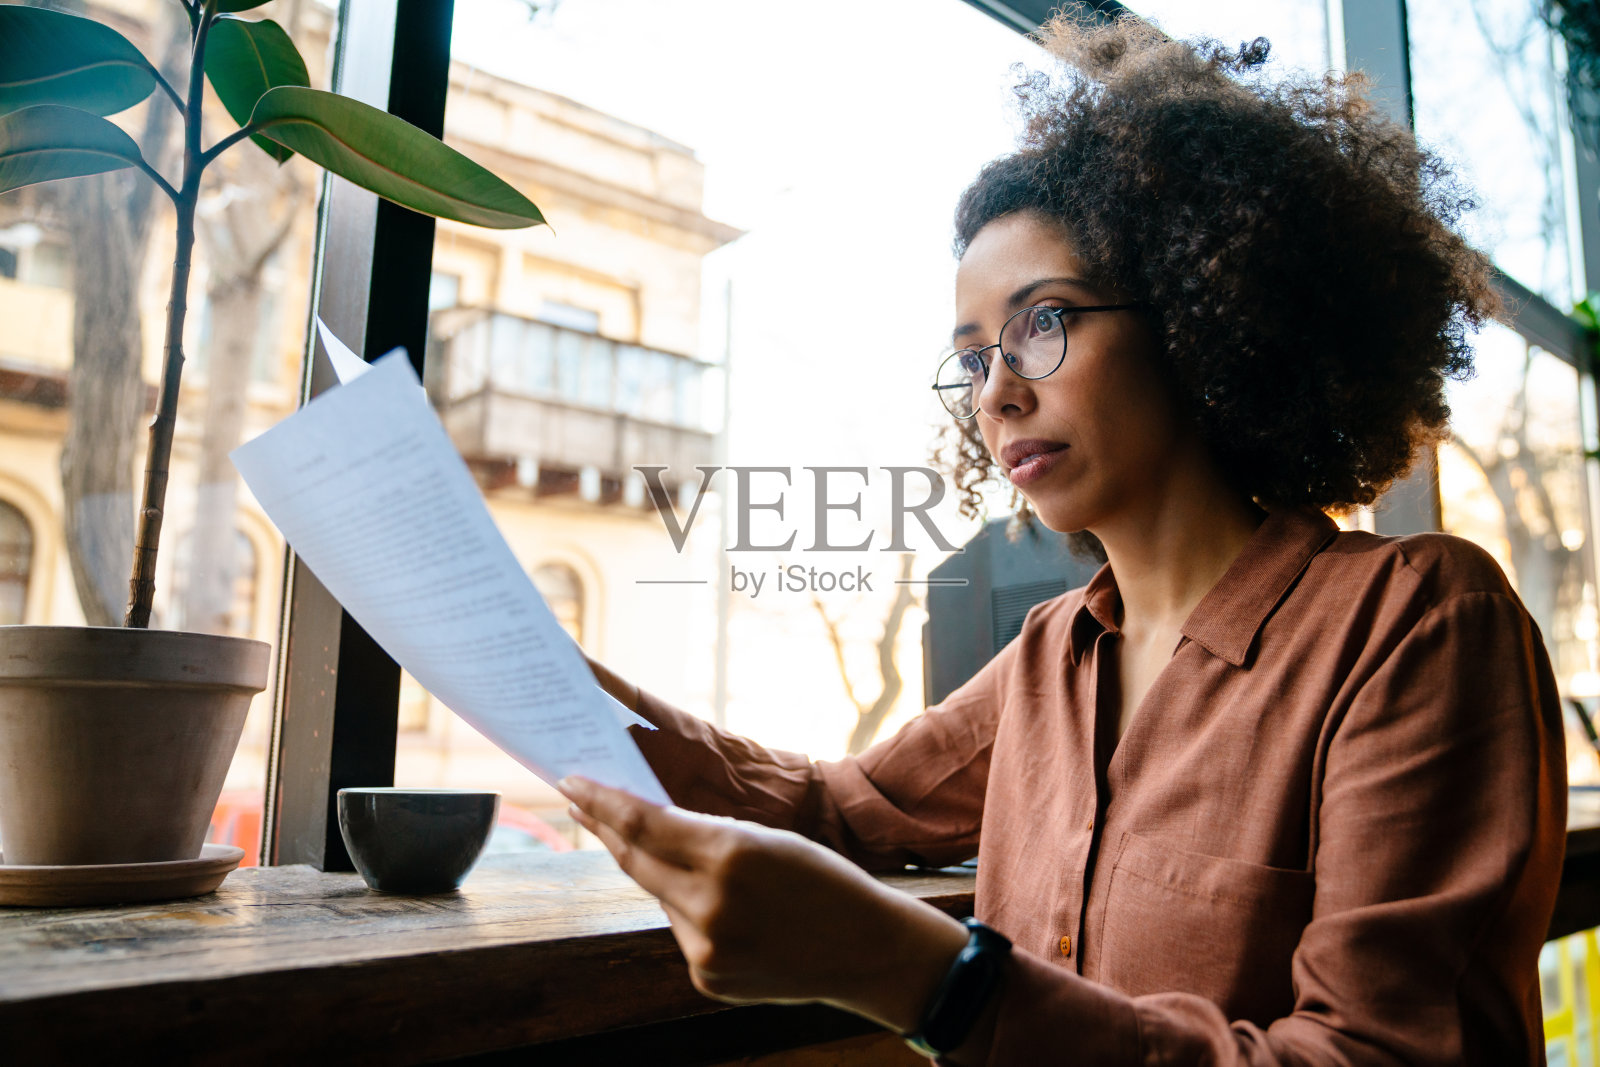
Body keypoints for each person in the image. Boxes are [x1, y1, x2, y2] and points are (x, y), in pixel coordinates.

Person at [561, 13, 1567, 1065]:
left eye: (1040, 321)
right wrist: (543, 671)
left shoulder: (1418, 620)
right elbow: (834, 806)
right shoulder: (1048, 658)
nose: (994, 391)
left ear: (1198, 312)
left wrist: (931, 981)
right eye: (970, 357)